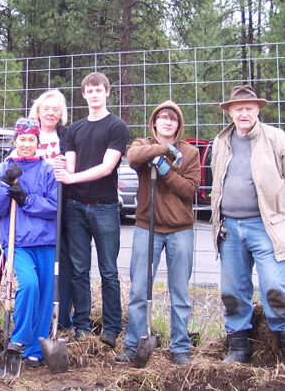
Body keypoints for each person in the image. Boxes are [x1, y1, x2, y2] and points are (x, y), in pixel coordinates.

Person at [115, 101, 200, 365]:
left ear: (178, 124)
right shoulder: (142, 145)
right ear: (154, 122)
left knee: (179, 292)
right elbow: (133, 156)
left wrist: (164, 169)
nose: (167, 121)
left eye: (173, 118)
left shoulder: (190, 152)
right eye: (162, 117)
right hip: (146, 227)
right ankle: (133, 344)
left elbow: (189, 190)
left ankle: (180, 347)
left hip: (180, 230)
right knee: (139, 289)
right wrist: (163, 149)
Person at [211, 85, 285, 363]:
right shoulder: (221, 142)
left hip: (266, 226)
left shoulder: (276, 139)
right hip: (229, 226)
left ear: (258, 110)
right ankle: (239, 346)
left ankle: (282, 341)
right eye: (238, 108)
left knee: (275, 285)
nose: (244, 113)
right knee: (232, 290)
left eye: (249, 108)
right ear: (230, 111)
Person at [54, 71, 128, 348]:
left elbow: (107, 167)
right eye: (89, 90)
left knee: (108, 270)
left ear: (107, 93)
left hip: (105, 208)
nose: (94, 94)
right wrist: (63, 169)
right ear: (83, 94)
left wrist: (71, 178)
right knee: (79, 270)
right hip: (75, 208)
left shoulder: (117, 126)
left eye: (99, 90)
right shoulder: (73, 130)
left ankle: (111, 327)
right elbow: (70, 166)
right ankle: (82, 326)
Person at [0, 117, 57, 368]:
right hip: (17, 242)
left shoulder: (47, 170)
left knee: (45, 295)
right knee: (29, 285)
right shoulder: (1, 170)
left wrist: (26, 199)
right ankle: (19, 339)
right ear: (15, 140)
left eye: (31, 139)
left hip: (45, 242)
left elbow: (55, 205)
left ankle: (34, 349)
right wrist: (5, 185)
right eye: (22, 139)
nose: (26, 144)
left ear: (38, 141)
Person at [29, 89, 73, 329]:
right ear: (38, 111)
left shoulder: (66, 136)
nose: (51, 113)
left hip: (61, 207)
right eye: (46, 108)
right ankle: (36, 318)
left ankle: (62, 318)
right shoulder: (28, 135)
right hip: (34, 209)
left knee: (62, 263)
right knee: (38, 268)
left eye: (56, 110)